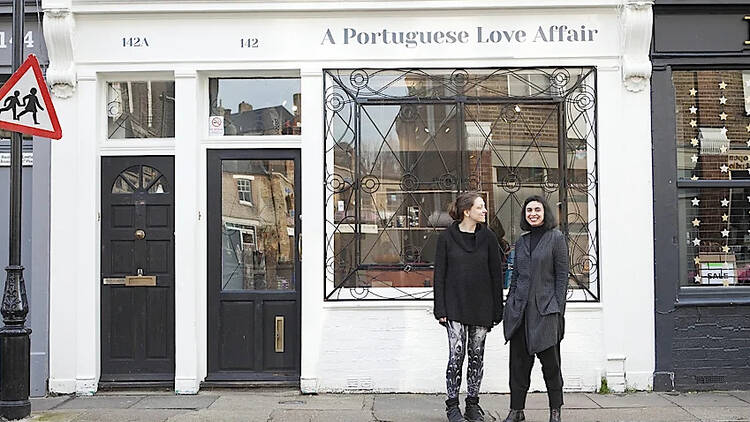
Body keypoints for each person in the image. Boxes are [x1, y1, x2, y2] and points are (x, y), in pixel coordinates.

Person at [433, 192, 504, 422]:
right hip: (454, 305)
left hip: (482, 306)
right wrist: (440, 308)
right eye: (480, 207)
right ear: (467, 211)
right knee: (456, 354)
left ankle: (472, 404)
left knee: (477, 355)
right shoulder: (446, 238)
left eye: (484, 207)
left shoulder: (489, 238)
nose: (484, 211)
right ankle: (452, 406)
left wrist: (497, 308)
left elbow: (496, 274)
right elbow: (439, 275)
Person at [502, 195, 569, 422]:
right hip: (520, 313)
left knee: (551, 365)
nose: (533, 213)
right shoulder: (521, 242)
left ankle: (555, 411)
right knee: (518, 365)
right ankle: (516, 410)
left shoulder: (556, 238)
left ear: (544, 213)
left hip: (546, 313)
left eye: (537, 210)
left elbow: (562, 278)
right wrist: (510, 304)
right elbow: (516, 276)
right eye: (529, 210)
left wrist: (558, 309)